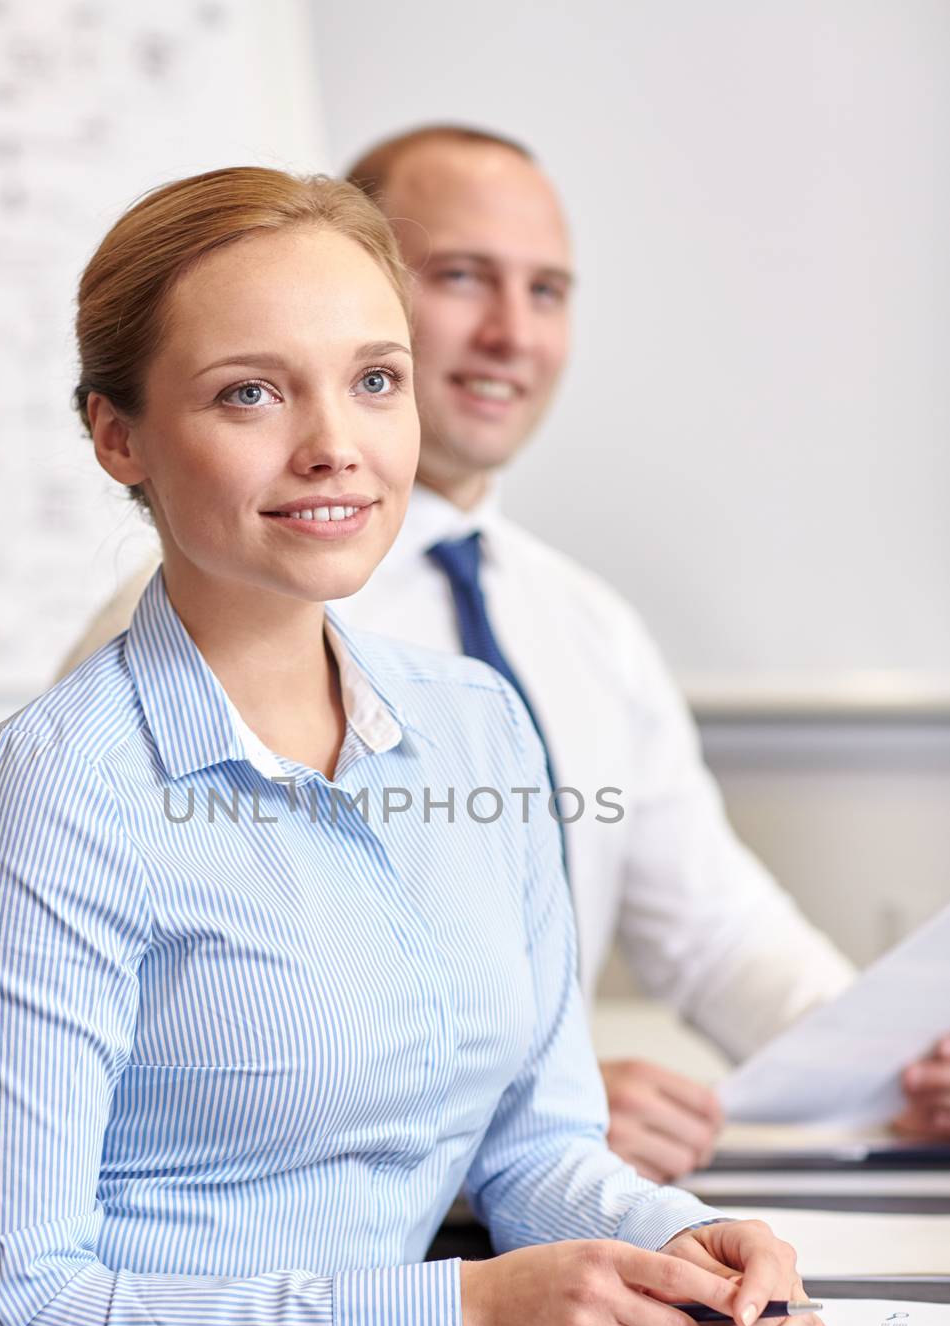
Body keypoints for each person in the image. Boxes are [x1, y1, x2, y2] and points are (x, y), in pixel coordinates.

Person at [0, 167, 825, 1326]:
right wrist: (458, 1311)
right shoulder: (54, 794)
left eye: (375, 379)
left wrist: (677, 1243)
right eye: (249, 395)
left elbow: (531, 1152)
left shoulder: (475, 725)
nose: (338, 447)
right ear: (117, 436)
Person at [57, 126, 950, 1177]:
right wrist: (519, 1110)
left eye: (547, 292)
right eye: (463, 278)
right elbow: (166, 1043)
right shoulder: (211, 612)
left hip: (548, 1211)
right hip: (320, 1251)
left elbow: (711, 930)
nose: (509, 335)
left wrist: (895, 1067)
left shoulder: (583, 623)